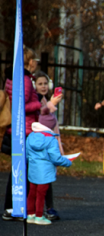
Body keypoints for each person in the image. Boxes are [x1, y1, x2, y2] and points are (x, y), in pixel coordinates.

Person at [3, 50, 42, 221]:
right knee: (22, 171)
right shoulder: (25, 80)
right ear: (30, 61)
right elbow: (20, 105)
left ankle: (10, 207)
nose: (37, 62)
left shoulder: (11, 78)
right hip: (24, 130)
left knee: (17, 169)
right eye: (35, 59)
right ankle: (16, 207)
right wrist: (38, 103)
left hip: (16, 129)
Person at [25, 122, 72, 225]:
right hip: (45, 171)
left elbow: (27, 155)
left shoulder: (30, 137)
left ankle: (31, 214)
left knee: (32, 192)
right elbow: (56, 158)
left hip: (33, 168)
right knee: (41, 194)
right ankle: (39, 216)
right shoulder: (51, 139)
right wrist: (68, 162)